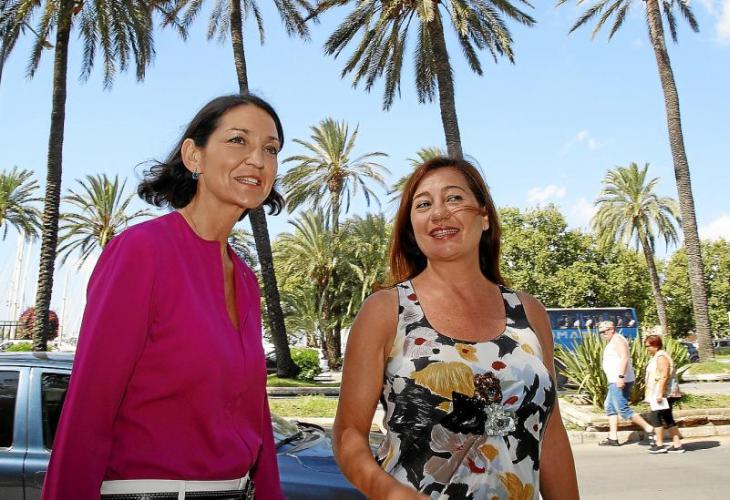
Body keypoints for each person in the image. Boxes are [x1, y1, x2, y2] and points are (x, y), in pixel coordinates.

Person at [42, 94, 286, 500]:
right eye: (238, 140)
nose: (258, 159)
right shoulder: (142, 251)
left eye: (271, 149)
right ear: (194, 155)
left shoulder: (245, 279)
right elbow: (90, 405)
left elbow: (255, 415)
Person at [333, 157, 579, 499]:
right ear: (412, 228)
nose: (438, 213)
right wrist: (389, 493)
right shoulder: (386, 310)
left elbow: (550, 433)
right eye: (423, 204)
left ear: (484, 216)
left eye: (454, 198)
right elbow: (348, 435)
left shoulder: (529, 312)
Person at [598, 320, 654, 446]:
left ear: (612, 330)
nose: (602, 334)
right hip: (614, 380)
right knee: (610, 407)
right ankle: (613, 437)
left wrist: (620, 377)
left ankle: (649, 428)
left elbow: (624, 358)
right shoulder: (613, 341)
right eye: (600, 332)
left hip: (619, 380)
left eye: (604, 331)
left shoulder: (617, 340)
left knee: (623, 409)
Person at [644, 334, 685, 454]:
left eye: (648, 346)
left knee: (655, 416)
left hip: (663, 393)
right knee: (667, 417)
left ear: (655, 345)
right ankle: (677, 445)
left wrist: (660, 394)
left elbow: (664, 375)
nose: (647, 349)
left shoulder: (661, 357)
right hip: (661, 392)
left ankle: (659, 444)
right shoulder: (657, 356)